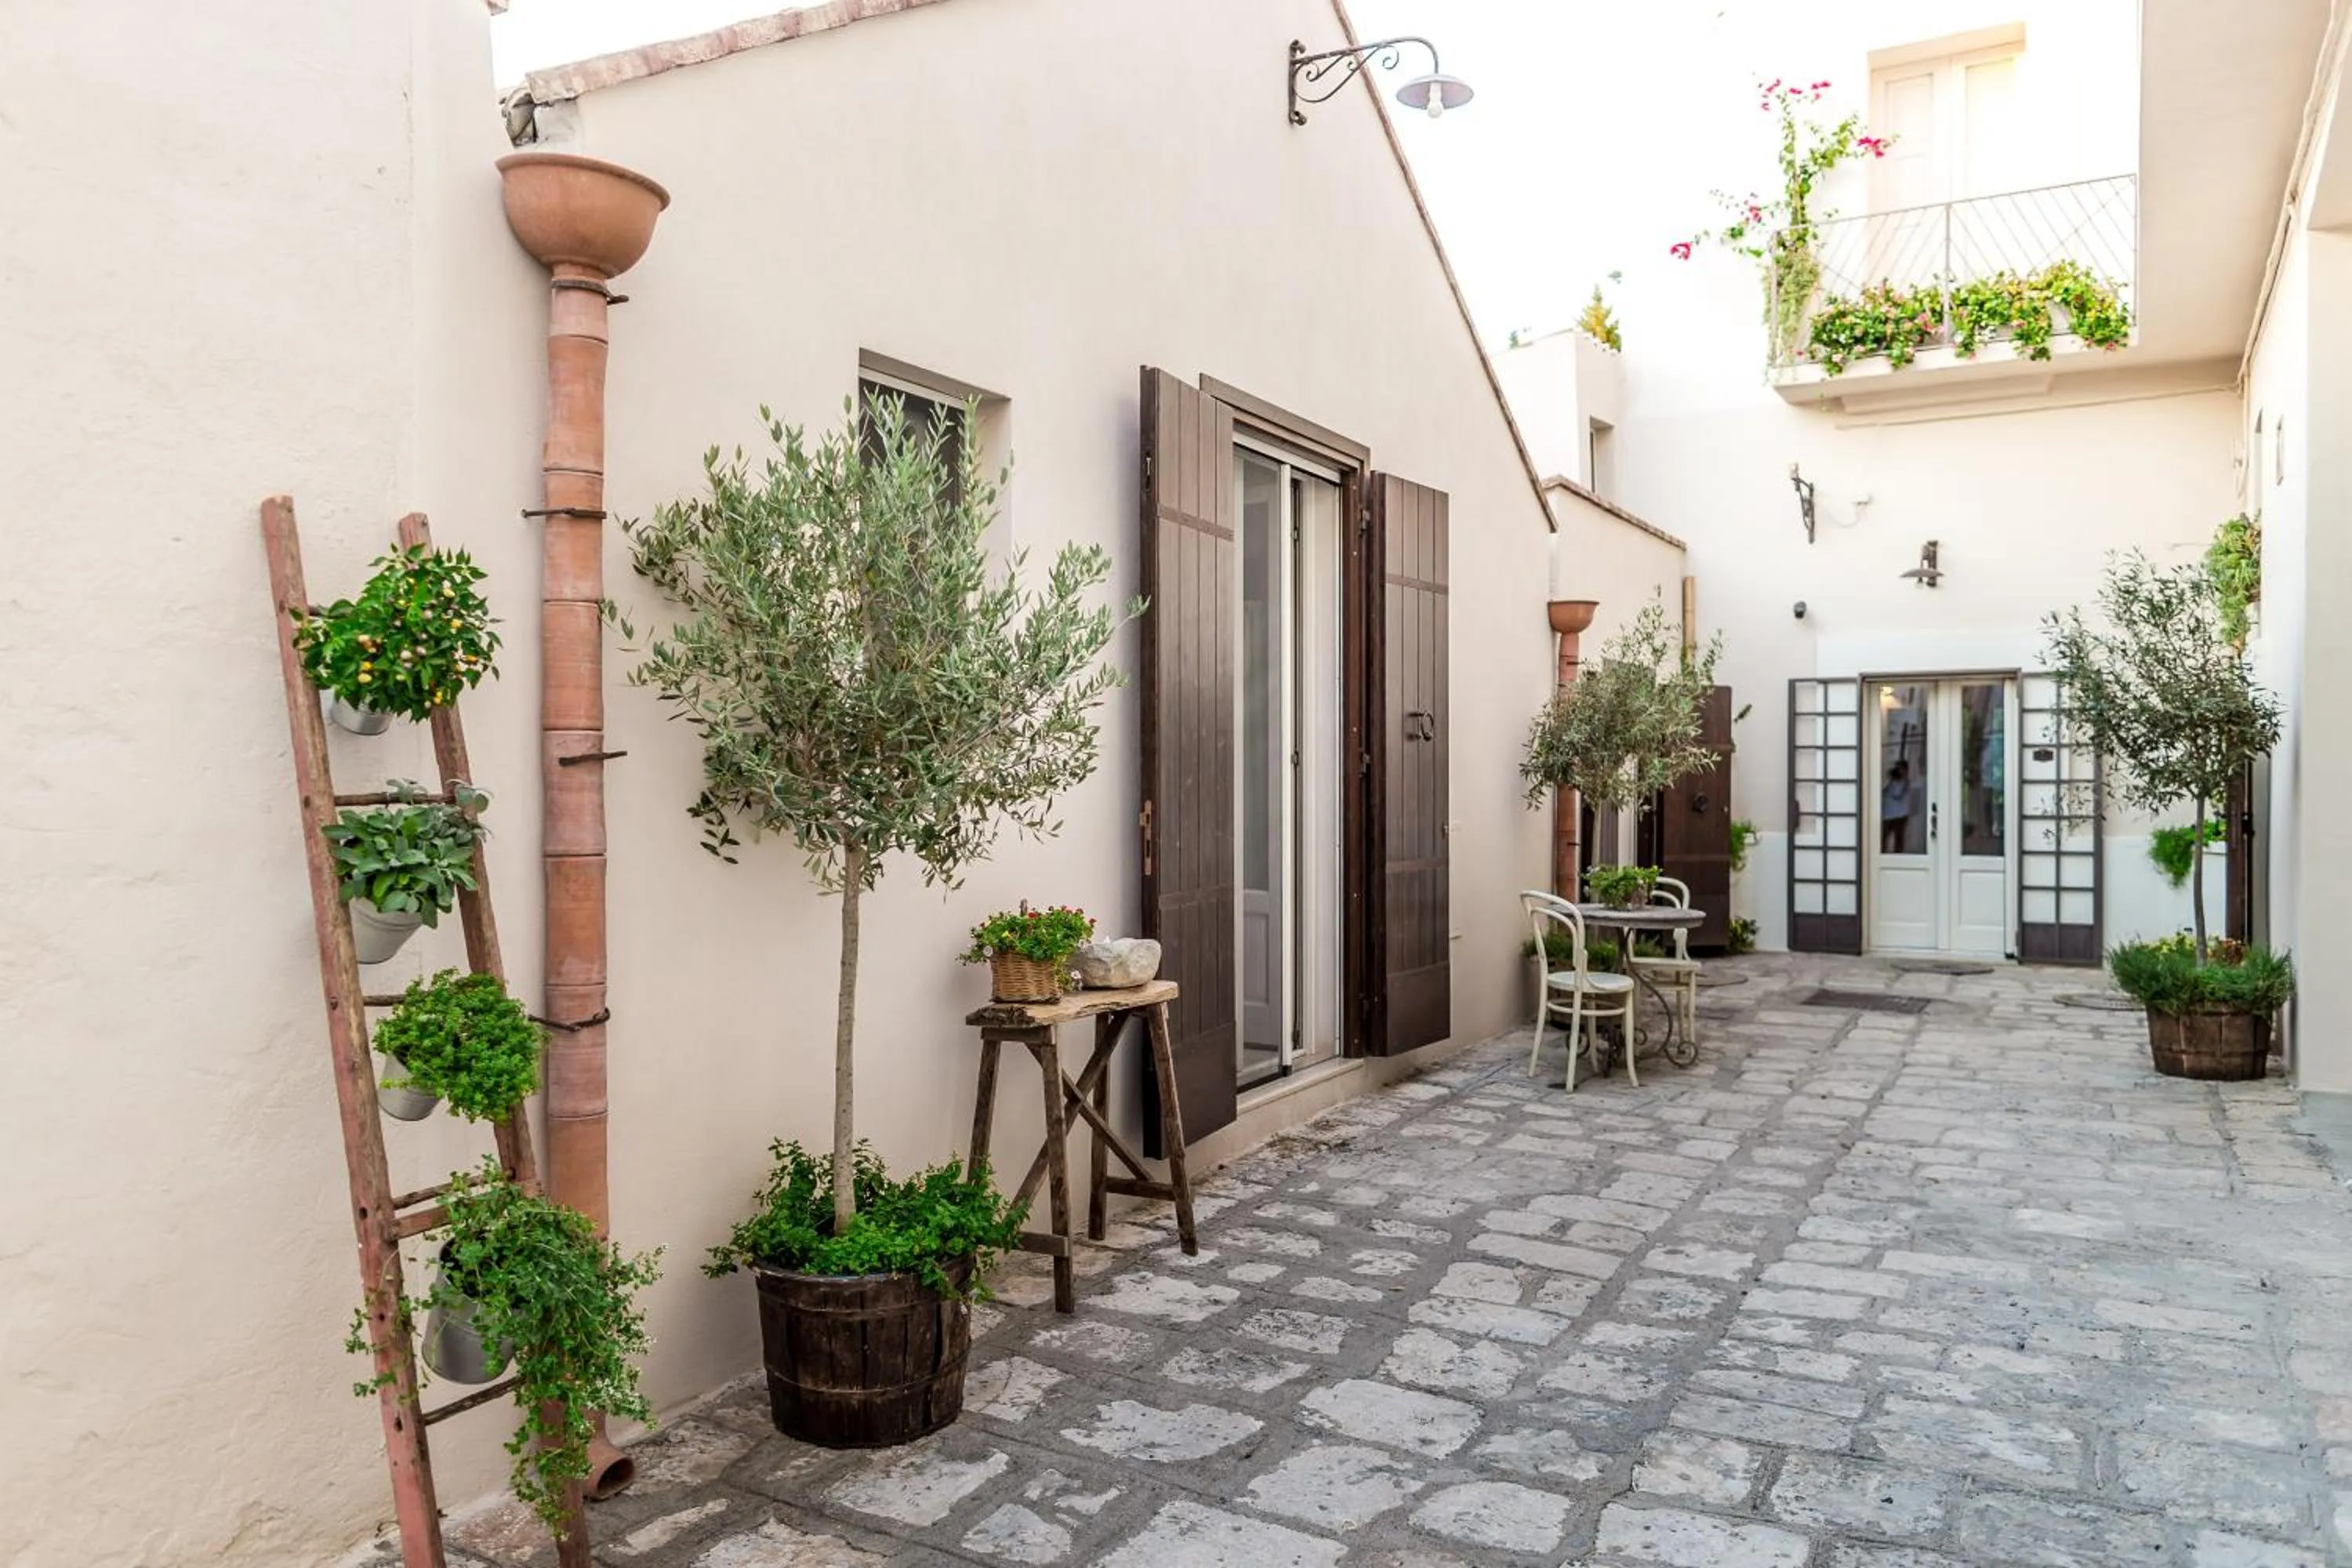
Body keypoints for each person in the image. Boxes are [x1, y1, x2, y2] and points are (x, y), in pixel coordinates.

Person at [1881, 760, 1915, 853]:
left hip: (1900, 815)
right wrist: (1889, 779)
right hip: (1887, 814)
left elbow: (1898, 794)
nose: (1897, 771)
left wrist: (1900, 778)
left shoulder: (1906, 782)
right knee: (1883, 838)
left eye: (1900, 769)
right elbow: (1881, 790)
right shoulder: (1889, 781)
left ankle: (1898, 856)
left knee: (1899, 839)